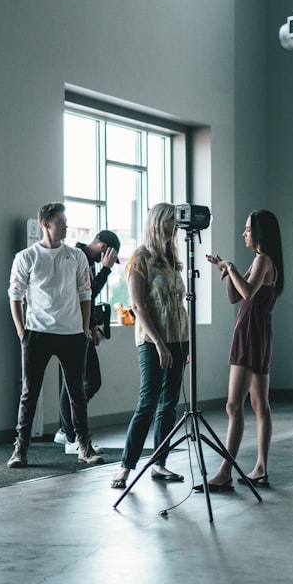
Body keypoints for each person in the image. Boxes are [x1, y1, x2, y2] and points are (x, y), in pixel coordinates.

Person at [7, 202, 103, 467]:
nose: (66, 226)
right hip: (37, 333)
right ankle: (20, 450)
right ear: (45, 224)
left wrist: (84, 329)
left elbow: (86, 294)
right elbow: (15, 296)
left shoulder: (77, 256)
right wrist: (21, 331)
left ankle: (84, 446)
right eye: (60, 221)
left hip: (72, 334)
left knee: (77, 393)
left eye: (66, 221)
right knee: (30, 393)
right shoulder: (26, 257)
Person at [198, 209, 284, 492]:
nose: (244, 233)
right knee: (259, 405)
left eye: (248, 229)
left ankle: (225, 472)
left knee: (233, 406)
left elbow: (247, 293)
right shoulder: (261, 261)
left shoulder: (262, 260)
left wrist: (232, 268)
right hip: (258, 333)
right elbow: (236, 296)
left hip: (249, 334)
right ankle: (260, 468)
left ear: (260, 232)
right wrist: (226, 270)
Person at [110, 203, 190, 489]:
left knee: (169, 405)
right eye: (172, 219)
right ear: (158, 222)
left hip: (178, 338)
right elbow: (138, 305)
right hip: (152, 340)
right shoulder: (140, 258)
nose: (177, 224)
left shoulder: (171, 258)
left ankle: (160, 463)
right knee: (147, 403)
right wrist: (159, 343)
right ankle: (125, 467)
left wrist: (185, 343)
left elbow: (180, 304)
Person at [53, 229, 120, 455]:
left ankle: (67, 428)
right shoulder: (77, 257)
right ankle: (70, 435)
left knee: (90, 381)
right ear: (104, 249)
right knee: (76, 384)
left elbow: (85, 298)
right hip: (71, 330)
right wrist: (107, 270)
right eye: (110, 257)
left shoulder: (87, 260)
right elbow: (88, 294)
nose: (109, 262)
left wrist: (92, 327)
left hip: (82, 330)